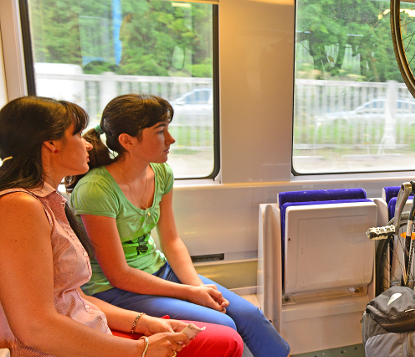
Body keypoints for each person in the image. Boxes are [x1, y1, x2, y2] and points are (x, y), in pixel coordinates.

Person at [0, 96, 243, 357]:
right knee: (224, 339)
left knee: (228, 338)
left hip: (89, 323)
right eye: (78, 134)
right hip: (62, 346)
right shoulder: (19, 207)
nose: (87, 144)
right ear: (51, 143)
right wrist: (141, 349)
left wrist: (145, 322)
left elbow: (73, 299)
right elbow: (36, 328)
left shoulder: (49, 200)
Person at [69, 93, 290, 357]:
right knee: (224, 324)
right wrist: (188, 293)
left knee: (249, 314)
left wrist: (196, 288)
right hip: (114, 289)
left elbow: (171, 241)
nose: (171, 140)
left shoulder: (161, 173)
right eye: (161, 132)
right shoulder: (95, 190)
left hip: (158, 271)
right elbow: (119, 273)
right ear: (127, 141)